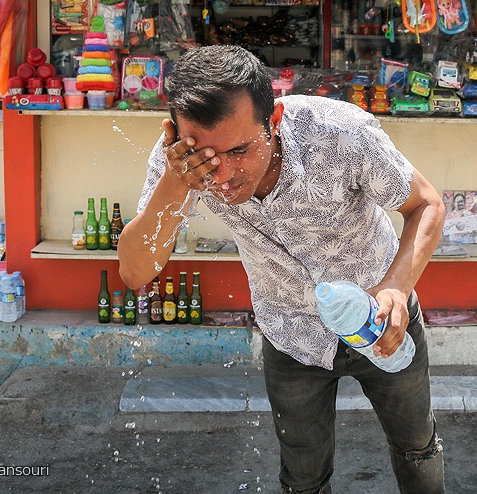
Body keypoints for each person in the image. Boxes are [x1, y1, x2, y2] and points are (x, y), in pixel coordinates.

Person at [119, 46, 446, 494]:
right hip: (291, 333)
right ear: (175, 134)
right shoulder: (180, 164)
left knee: (416, 446)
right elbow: (136, 272)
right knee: (303, 477)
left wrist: (395, 287)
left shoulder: (337, 132)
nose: (223, 175)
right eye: (206, 157)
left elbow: (426, 204)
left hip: (382, 317)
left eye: (239, 150)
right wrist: (176, 182)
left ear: (273, 121)